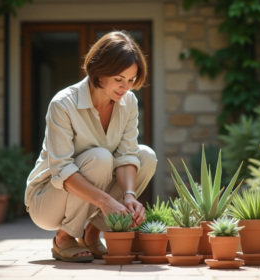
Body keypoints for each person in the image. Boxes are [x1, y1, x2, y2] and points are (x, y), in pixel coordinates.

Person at [24, 31, 157, 263]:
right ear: (99, 72)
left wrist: (128, 196)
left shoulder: (128, 103)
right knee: (101, 158)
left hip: (89, 195)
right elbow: (62, 169)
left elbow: (127, 155)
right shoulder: (63, 104)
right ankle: (64, 238)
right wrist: (106, 201)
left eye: (131, 80)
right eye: (118, 79)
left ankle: (91, 233)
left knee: (146, 156)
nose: (125, 87)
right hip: (47, 200)